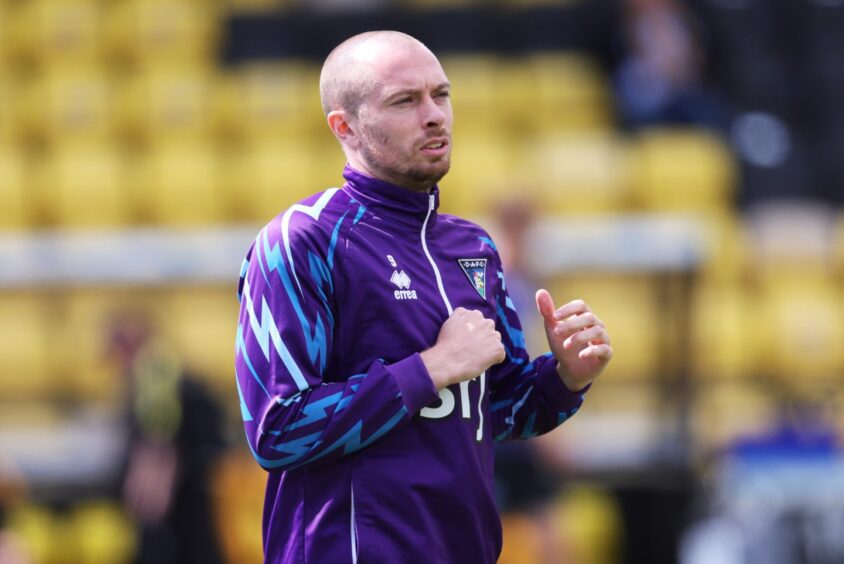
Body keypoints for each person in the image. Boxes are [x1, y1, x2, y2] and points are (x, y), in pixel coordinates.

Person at [234, 30, 613, 563]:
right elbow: (278, 430)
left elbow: (497, 411)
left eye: (441, 94)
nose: (434, 115)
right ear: (345, 126)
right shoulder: (303, 241)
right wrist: (430, 368)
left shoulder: (473, 247)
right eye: (404, 101)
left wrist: (564, 377)